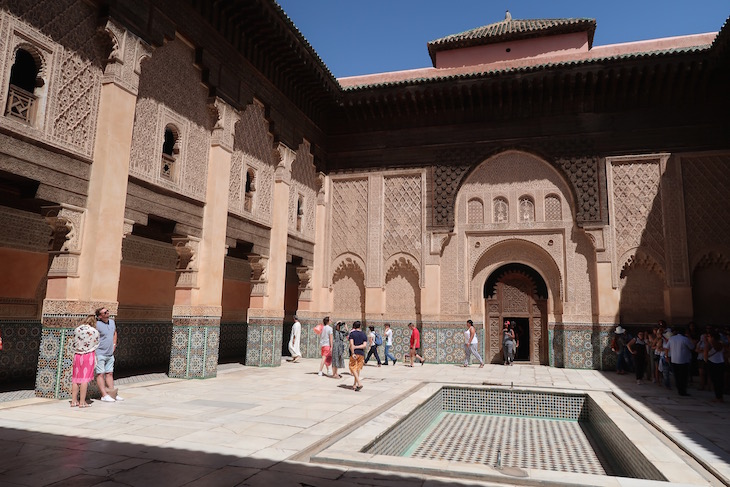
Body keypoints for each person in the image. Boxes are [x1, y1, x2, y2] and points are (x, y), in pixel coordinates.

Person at [95, 307, 123, 402]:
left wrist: (114, 344)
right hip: (100, 353)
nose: (107, 313)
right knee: (100, 374)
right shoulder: (97, 324)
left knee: (109, 373)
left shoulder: (112, 322)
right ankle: (104, 395)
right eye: (105, 312)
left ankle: (113, 393)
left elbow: (114, 333)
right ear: (100, 316)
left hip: (110, 354)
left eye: (107, 311)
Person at [70, 315, 99, 408]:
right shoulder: (94, 331)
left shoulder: (77, 330)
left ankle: (74, 401)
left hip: (77, 355)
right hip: (88, 355)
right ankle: (82, 402)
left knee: (76, 378)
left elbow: (73, 342)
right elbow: (96, 343)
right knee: (84, 379)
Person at [666, 326, 696, 396]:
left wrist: (666, 356)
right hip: (683, 360)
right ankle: (682, 390)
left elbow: (667, 348)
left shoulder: (672, 339)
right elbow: (692, 347)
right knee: (683, 376)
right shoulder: (685, 339)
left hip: (674, 359)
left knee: (677, 376)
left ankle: (679, 388)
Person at [705, 330, 725, 402]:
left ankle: (718, 397)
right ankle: (720, 396)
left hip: (712, 362)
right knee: (720, 380)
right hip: (721, 362)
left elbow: (705, 354)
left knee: (715, 380)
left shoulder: (709, 344)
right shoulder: (721, 343)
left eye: (709, 336)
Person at [348, 321, 368, 391]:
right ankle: (354, 384)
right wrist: (358, 347)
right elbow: (364, 345)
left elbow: (351, 344)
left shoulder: (352, 334)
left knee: (352, 367)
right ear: (360, 326)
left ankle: (359, 383)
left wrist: (353, 352)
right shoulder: (364, 334)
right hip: (361, 353)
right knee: (357, 369)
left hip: (354, 353)